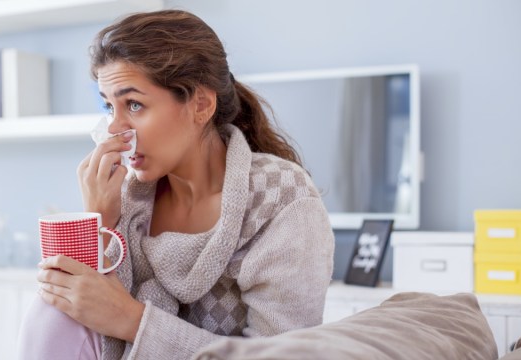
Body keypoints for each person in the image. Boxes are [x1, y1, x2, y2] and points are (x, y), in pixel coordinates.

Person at [18, 9, 334, 360]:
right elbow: (72, 309)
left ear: (201, 104)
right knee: (52, 310)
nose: (113, 129)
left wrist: (132, 321)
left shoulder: (280, 198)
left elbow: (281, 357)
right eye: (110, 107)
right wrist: (99, 222)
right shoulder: (126, 197)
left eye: (134, 104)